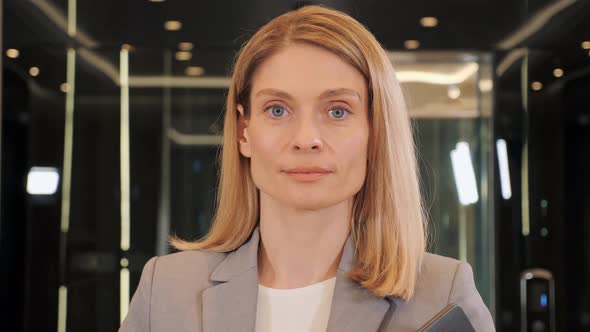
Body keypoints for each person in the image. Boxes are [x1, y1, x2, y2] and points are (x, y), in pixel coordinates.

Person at [119, 4, 495, 332]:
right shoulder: (165, 289)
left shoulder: (442, 293)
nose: (306, 139)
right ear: (243, 130)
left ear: (375, 132)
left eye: (337, 111)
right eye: (277, 110)